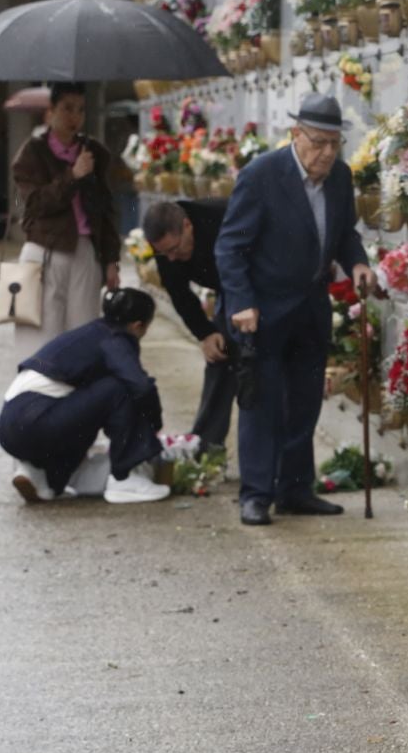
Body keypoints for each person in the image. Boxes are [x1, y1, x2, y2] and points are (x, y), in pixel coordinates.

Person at [216, 94, 377, 527]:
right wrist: (242, 302)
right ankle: (255, 494)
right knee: (261, 403)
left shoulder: (340, 178)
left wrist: (357, 262)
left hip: (310, 307)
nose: (326, 153)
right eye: (318, 142)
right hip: (264, 309)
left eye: (334, 143)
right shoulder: (262, 176)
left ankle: (294, 489)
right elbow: (230, 247)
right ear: (296, 135)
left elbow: (344, 233)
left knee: (305, 401)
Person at [0, 288, 171, 505]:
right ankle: (124, 479)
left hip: (10, 428)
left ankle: (43, 477)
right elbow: (140, 386)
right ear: (139, 325)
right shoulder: (116, 339)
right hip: (37, 423)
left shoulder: (91, 332)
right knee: (119, 388)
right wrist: (154, 424)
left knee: (89, 408)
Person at [10, 82, 121, 356]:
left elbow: (105, 210)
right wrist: (73, 176)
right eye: (67, 109)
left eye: (81, 110)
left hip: (85, 251)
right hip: (43, 251)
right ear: (50, 113)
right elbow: (36, 204)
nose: (75, 117)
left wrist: (111, 260)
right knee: (39, 336)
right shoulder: (31, 153)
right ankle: (39, 393)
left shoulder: (95, 153)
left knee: (84, 335)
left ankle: (76, 396)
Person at [142, 198, 236, 454]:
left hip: (258, 281)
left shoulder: (222, 218)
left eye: (175, 249)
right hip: (226, 290)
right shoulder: (165, 247)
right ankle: (206, 448)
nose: (171, 258)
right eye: (164, 253)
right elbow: (179, 293)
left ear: (187, 226)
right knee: (220, 354)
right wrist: (205, 334)